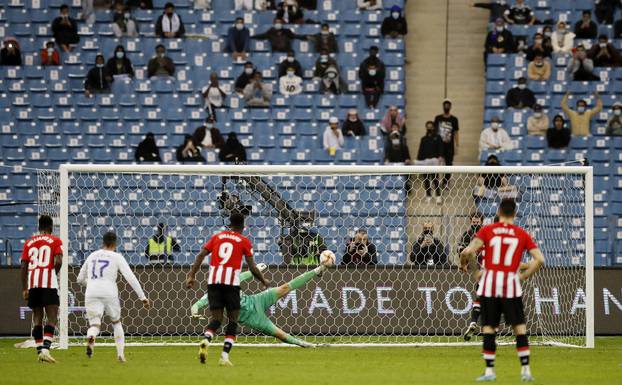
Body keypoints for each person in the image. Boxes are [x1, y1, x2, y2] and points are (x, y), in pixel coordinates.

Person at [460, 199, 545, 382]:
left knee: (489, 328)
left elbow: (467, 252)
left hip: (490, 284)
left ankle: (490, 372)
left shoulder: (488, 230)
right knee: (519, 328)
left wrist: (473, 270)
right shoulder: (521, 234)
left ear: (499, 211)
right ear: (515, 213)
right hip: (511, 286)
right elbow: (540, 259)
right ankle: (525, 370)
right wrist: (523, 276)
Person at [185, 213, 270, 366]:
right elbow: (252, 267)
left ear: (229, 224)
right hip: (231, 284)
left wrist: (191, 276)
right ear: (243, 226)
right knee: (232, 320)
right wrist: (263, 280)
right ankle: (224, 356)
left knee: (216, 319)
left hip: (214, 283)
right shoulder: (244, 241)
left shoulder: (217, 237)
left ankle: (206, 340)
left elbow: (200, 255)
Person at [191, 262, 331, 347]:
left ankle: (318, 270)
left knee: (284, 288)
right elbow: (197, 305)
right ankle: (304, 344)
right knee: (280, 335)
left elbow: (246, 275)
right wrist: (195, 312)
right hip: (251, 318)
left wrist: (256, 269)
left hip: (256, 300)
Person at [77, 231, 150, 362]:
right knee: (116, 322)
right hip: (109, 292)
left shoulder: (92, 256)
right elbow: (130, 277)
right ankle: (121, 355)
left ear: (102, 242)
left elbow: (79, 279)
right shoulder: (117, 257)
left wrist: (92, 283)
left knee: (94, 324)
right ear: (115, 243)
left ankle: (91, 336)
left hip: (92, 292)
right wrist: (142, 297)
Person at [20, 215, 63, 363]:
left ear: (39, 227)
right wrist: (52, 273)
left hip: (33, 284)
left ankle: (39, 352)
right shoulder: (55, 240)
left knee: (37, 317)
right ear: (51, 227)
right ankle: (45, 350)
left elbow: (24, 266)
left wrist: (24, 288)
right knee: (52, 317)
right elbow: (59, 260)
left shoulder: (28, 242)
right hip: (48, 283)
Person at [416, 121, 444, 203]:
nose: (429, 128)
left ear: (433, 127)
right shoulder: (423, 139)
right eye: (427, 126)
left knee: (435, 179)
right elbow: (420, 151)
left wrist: (440, 156)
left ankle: (438, 196)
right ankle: (428, 195)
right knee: (426, 179)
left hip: (434, 162)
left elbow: (441, 148)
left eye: (431, 126)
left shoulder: (438, 137)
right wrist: (419, 161)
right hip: (425, 162)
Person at [434, 99, 459, 187]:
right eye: (445, 105)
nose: (447, 107)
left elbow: (456, 132)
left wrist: (457, 144)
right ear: (443, 106)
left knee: (449, 164)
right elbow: (435, 131)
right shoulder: (438, 118)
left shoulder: (454, 119)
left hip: (449, 146)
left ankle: (445, 182)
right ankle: (435, 181)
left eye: (448, 105)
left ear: (450, 107)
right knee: (437, 163)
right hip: (439, 145)